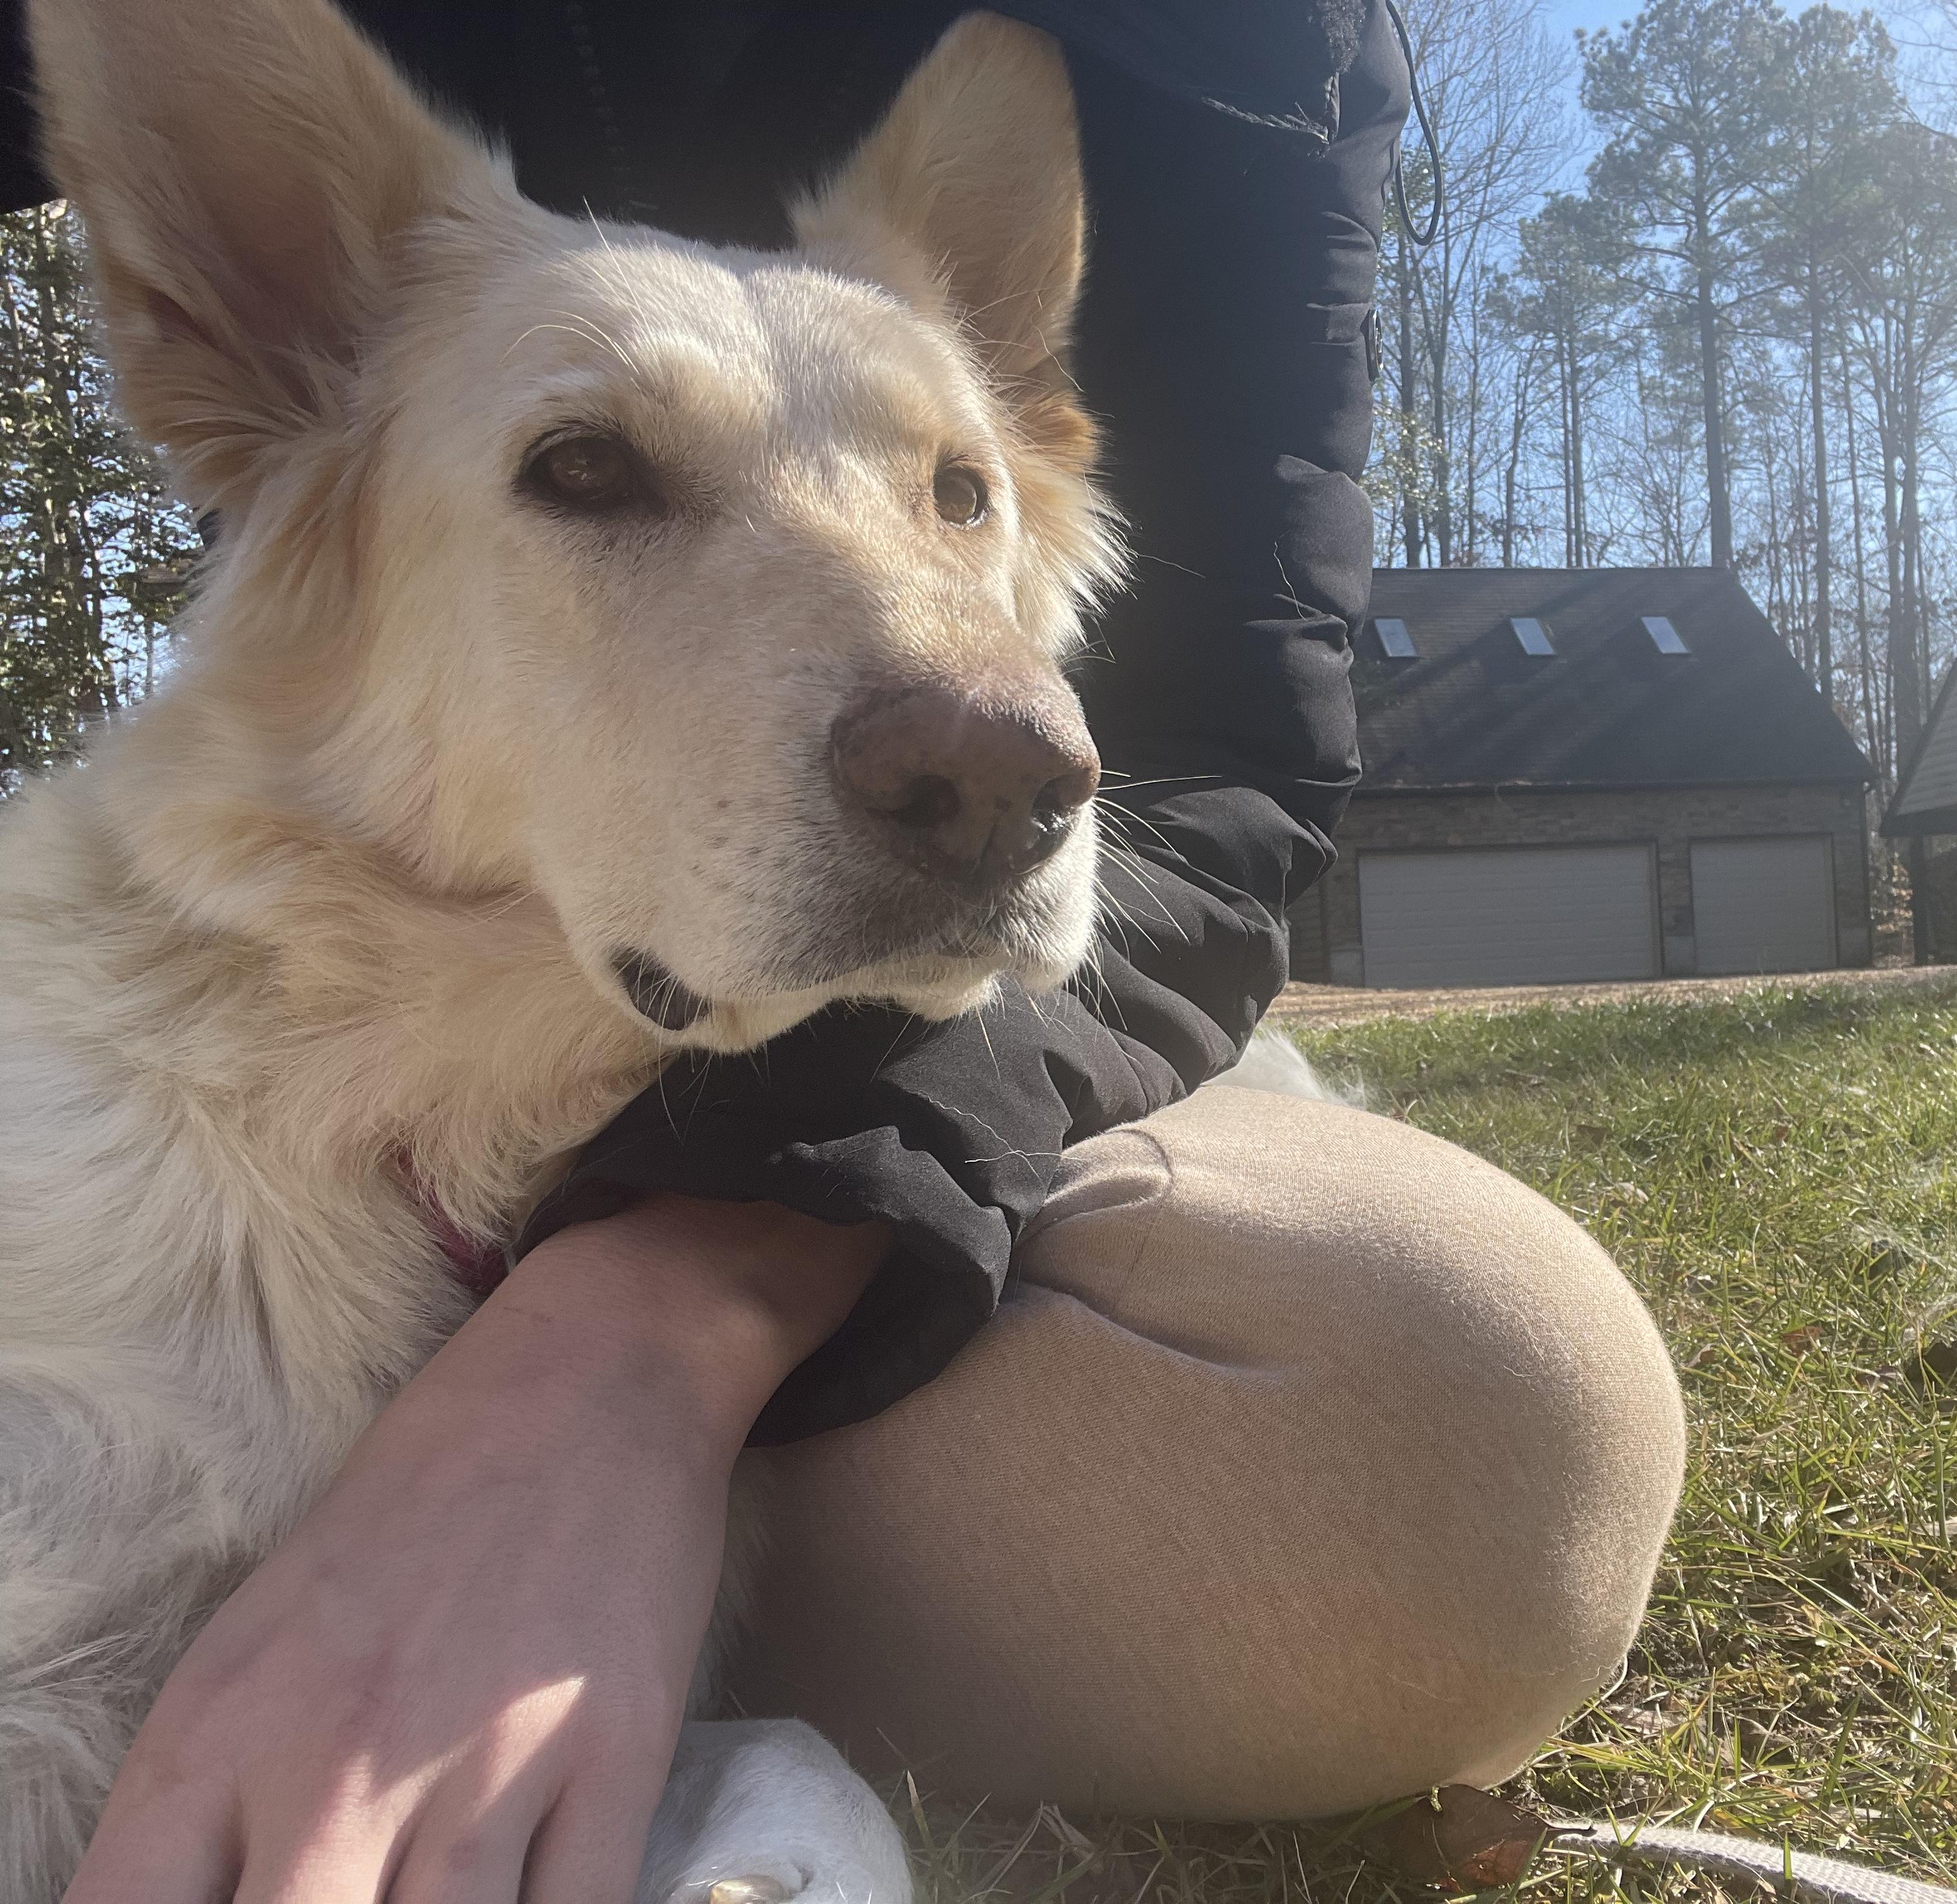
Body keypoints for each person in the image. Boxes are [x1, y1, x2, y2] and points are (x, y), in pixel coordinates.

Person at [0, 3, 1688, 1895]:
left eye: (957, 493)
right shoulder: (67, 1144)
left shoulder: (1223, 42)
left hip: (922, 1113)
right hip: (346, 1082)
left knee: (1488, 1437)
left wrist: (658, 1330)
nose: (983, 711)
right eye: (594, 474)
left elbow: (1229, 756)